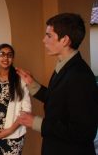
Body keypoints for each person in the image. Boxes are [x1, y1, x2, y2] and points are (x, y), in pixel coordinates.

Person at [16, 13, 98, 155]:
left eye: (48, 35)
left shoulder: (80, 76)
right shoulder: (64, 66)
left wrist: (36, 122)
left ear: (65, 40)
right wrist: (33, 84)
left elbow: (84, 132)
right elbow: (59, 100)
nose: (43, 40)